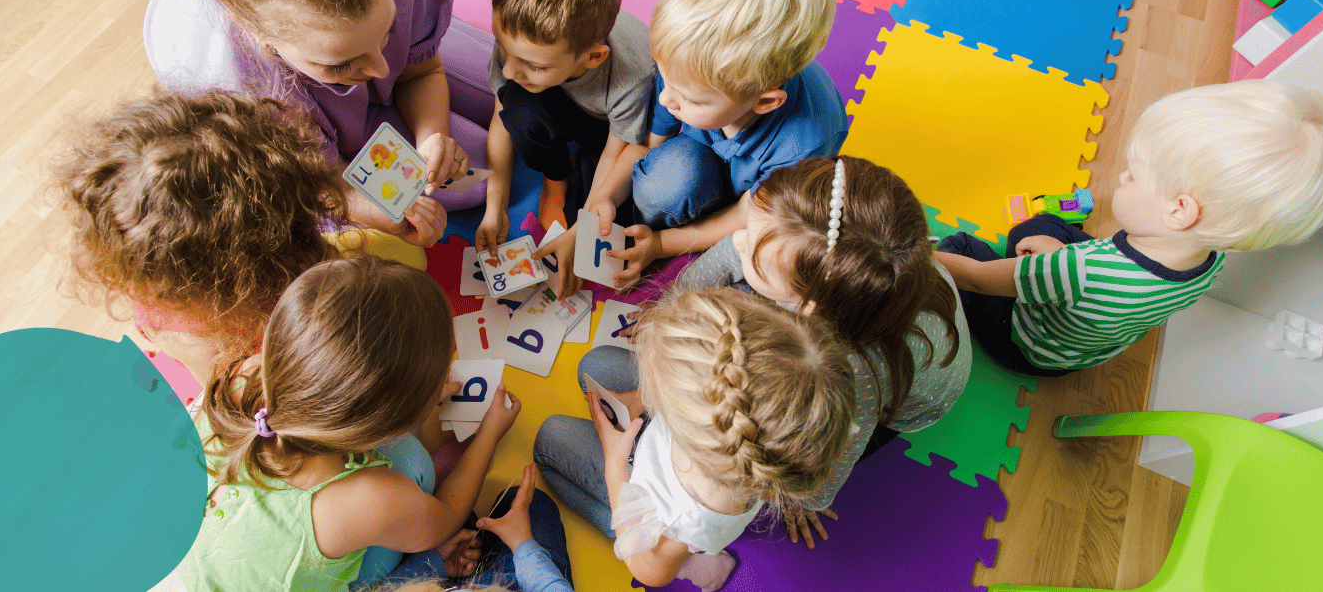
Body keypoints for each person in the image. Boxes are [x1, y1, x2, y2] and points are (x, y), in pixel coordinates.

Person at [144, 0, 494, 236]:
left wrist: (431, 137)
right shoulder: (235, 89)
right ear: (262, 37)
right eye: (341, 64)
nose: (382, 69)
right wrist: (365, 208)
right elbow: (310, 184)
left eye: (388, 29)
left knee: (508, 97)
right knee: (472, 183)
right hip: (291, 130)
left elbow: (422, 70)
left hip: (368, 27)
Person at [55, 91, 441, 396]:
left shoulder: (270, 185)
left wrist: (378, 212)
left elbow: (319, 190)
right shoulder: (192, 317)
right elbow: (220, 381)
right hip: (228, 331)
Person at [671, 156, 972, 546]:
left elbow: (837, 449)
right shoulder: (837, 245)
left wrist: (807, 500)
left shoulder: (849, 370)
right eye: (751, 223)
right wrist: (678, 306)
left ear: (807, 306)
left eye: (753, 257)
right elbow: (727, 256)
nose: (738, 240)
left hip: (902, 400)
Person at [935, 80, 1323, 376]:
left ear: (1179, 211)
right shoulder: (1211, 257)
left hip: (1025, 346)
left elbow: (981, 279)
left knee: (963, 248)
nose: (1121, 177)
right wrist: (1058, 256)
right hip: (1081, 349)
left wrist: (912, 255)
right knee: (1045, 228)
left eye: (1135, 177)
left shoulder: (1077, 270)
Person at [179, 256, 522, 591]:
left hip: (191, 562)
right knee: (416, 466)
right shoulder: (372, 499)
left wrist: (412, 394)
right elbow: (445, 518)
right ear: (385, 421)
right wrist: (489, 434)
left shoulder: (247, 374)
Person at [533, 288, 856, 591]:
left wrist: (615, 462)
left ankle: (692, 562)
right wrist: (643, 396)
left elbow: (648, 572)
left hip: (652, 511)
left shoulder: (684, 517)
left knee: (547, 442)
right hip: (676, 458)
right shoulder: (761, 414)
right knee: (594, 365)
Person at [609, 0, 847, 290]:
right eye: (664, 78)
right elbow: (652, 146)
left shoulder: (808, 141)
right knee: (667, 179)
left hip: (756, 202)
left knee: (770, 262)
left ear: (764, 101)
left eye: (689, 99)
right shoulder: (685, 67)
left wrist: (660, 245)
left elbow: (748, 213)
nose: (665, 99)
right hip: (701, 165)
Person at [474, 0, 656, 298]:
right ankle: (556, 177)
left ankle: (571, 185)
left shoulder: (632, 72)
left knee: (606, 228)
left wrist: (580, 231)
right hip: (561, 101)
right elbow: (501, 118)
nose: (508, 69)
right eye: (504, 50)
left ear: (593, 57)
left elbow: (618, 150)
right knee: (517, 105)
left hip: (606, 132)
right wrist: (495, 208)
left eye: (531, 65)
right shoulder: (518, 39)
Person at [379, 463, 574, 592]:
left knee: (462, 521)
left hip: (446, 577)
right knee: (533, 503)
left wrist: (435, 563)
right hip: (521, 583)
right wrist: (522, 543)